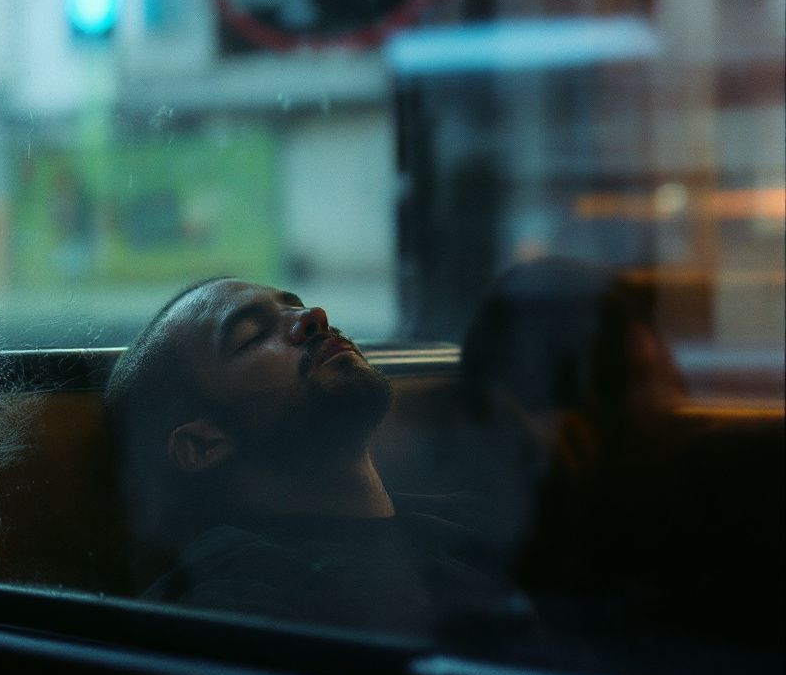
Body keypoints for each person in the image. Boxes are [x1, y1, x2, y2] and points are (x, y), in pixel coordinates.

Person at [105, 276, 538, 644]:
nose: (316, 316)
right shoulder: (230, 610)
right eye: (253, 335)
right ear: (203, 446)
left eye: (296, 307)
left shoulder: (474, 525)